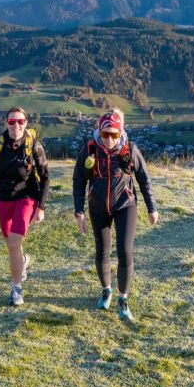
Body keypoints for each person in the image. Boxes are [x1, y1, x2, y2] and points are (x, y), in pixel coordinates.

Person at [73, 109, 159, 321]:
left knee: (124, 250)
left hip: (125, 206)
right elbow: (78, 181)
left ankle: (123, 298)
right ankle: (106, 290)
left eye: (114, 134)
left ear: (121, 132)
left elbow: (144, 179)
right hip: (97, 207)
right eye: (105, 134)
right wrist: (79, 211)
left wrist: (152, 207)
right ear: (100, 132)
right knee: (102, 251)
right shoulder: (90, 149)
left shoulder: (129, 149)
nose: (110, 139)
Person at [0, 106, 50, 306]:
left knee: (13, 243)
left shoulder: (33, 144)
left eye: (20, 121)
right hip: (3, 198)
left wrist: (41, 206)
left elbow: (45, 175)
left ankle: (16, 288)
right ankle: (23, 261)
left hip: (27, 197)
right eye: (12, 122)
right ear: (6, 123)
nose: (16, 125)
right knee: (11, 242)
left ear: (26, 123)